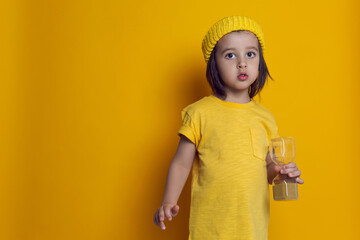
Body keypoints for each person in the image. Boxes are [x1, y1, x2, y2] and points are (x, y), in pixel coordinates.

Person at [153, 16, 304, 240]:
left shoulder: (265, 118)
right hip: (210, 228)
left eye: (250, 54)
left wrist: (283, 172)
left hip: (252, 228)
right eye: (230, 55)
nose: (242, 63)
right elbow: (182, 163)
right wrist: (169, 200)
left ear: (260, 62)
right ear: (214, 64)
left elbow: (269, 167)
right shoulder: (199, 113)